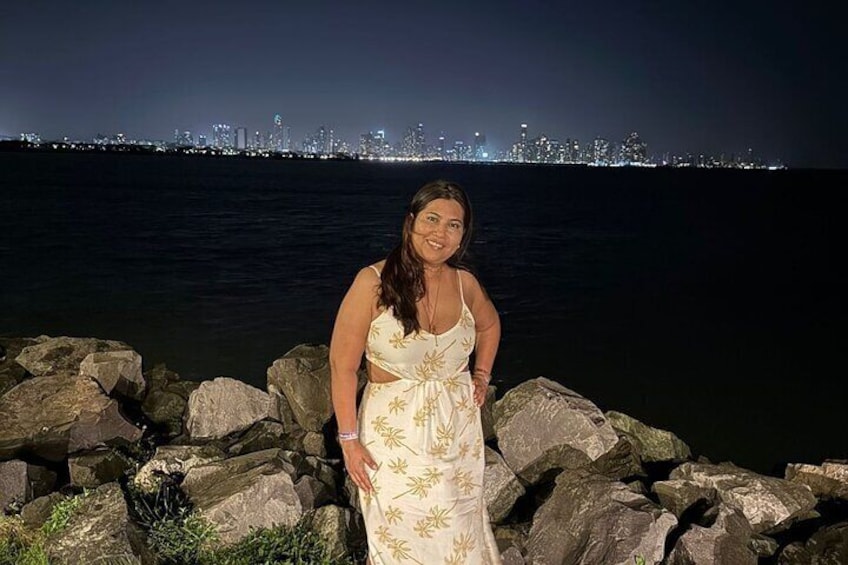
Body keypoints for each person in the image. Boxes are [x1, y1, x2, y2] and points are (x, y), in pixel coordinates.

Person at [330, 180, 502, 564]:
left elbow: (490, 326)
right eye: (431, 219)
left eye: (454, 225)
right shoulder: (372, 283)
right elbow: (343, 366)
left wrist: (481, 375)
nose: (440, 233)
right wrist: (349, 440)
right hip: (392, 438)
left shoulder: (466, 284)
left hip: (458, 434)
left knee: (459, 535)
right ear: (410, 222)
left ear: (462, 236)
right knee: (397, 539)